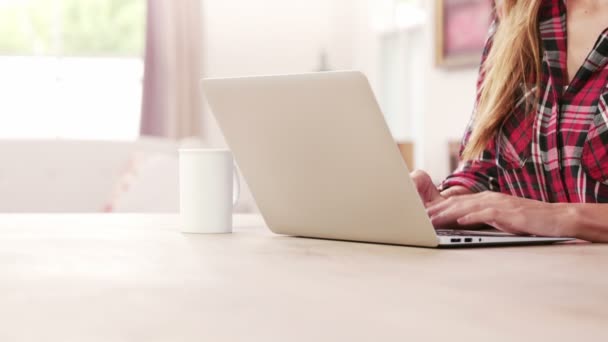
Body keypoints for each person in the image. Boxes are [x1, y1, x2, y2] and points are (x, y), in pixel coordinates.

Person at [411, 0, 608, 242]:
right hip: (516, 273)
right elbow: (484, 169)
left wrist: (559, 217)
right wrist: (447, 202)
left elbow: (529, 212)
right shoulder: (513, 20)